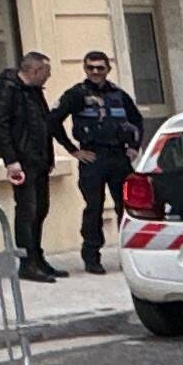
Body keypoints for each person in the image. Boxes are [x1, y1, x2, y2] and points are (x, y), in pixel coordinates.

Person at [56, 48, 148, 274]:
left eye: (100, 68)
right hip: (92, 158)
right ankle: (91, 257)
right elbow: (53, 122)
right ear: (85, 69)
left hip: (118, 157)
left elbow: (137, 120)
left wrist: (134, 148)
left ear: (108, 69)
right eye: (91, 68)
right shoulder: (76, 94)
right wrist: (73, 151)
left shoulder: (118, 94)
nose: (95, 72)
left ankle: (129, 254)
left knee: (126, 209)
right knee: (93, 208)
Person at [0, 47, 61, 282]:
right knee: (27, 210)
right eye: (46, 72)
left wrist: (48, 157)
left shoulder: (34, 91)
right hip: (23, 160)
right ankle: (27, 263)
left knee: (41, 209)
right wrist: (11, 161)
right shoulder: (9, 88)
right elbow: (1, 124)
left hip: (39, 160)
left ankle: (38, 257)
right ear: (35, 70)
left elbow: (43, 123)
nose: (48, 77)